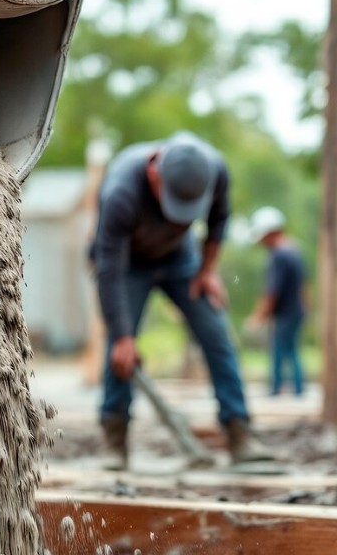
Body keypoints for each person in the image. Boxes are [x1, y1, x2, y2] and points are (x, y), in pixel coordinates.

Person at [90, 131, 272, 470]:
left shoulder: (215, 170)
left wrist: (206, 271)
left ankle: (240, 433)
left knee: (217, 333)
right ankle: (114, 439)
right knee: (121, 349)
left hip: (181, 260)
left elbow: (218, 222)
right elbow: (109, 269)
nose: (179, 217)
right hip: (127, 264)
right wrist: (122, 334)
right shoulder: (121, 191)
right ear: (154, 173)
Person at [246, 207, 306, 397]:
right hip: (297, 310)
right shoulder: (295, 250)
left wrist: (259, 316)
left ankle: (276, 388)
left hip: (286, 312)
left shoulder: (279, 255)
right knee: (291, 350)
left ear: (270, 232)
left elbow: (272, 291)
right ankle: (298, 389)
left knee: (280, 350)